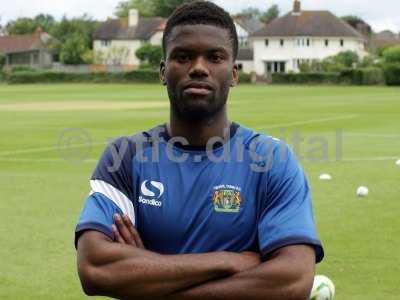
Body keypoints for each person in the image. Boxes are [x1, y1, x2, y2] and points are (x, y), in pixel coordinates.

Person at [75, 1, 324, 299]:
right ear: (163, 71)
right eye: (183, 57)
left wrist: (147, 281)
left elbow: (292, 280)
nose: (198, 68)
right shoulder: (125, 157)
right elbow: (95, 269)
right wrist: (229, 261)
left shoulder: (272, 160)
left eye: (214, 57)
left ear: (234, 73)